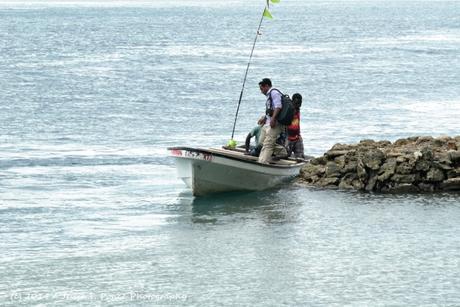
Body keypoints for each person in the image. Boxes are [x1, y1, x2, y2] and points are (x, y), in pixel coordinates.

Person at [257, 78, 288, 163]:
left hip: (275, 123)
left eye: (262, 89)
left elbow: (278, 106)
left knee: (268, 144)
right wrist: (265, 118)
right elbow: (271, 109)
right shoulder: (269, 95)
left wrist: (273, 119)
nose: (261, 91)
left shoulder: (274, 93)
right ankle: (282, 152)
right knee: (261, 141)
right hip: (268, 122)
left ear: (267, 86)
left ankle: (263, 162)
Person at [286, 93, 305, 159]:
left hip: (297, 137)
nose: (299, 105)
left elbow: (297, 123)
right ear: (293, 101)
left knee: (300, 157)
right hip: (288, 138)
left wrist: (299, 134)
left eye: (300, 103)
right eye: (297, 103)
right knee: (285, 156)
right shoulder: (288, 110)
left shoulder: (298, 109)